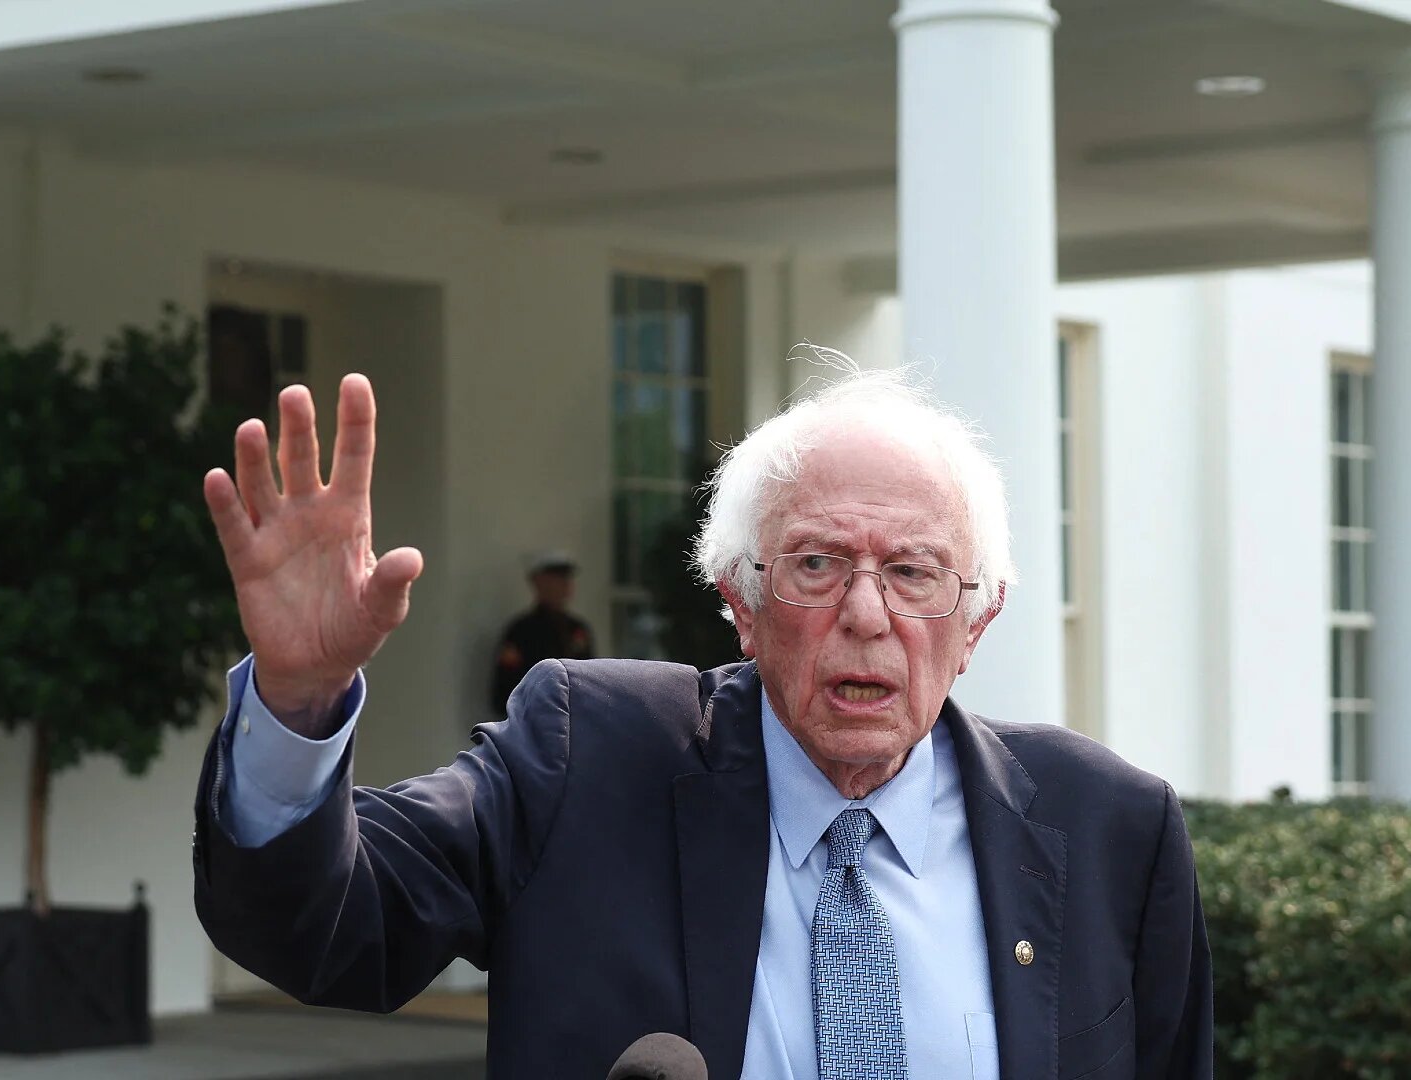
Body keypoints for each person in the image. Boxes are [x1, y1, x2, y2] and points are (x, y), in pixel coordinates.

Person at [193, 358, 1213, 1078]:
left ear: (978, 616)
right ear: (739, 602)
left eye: (913, 571)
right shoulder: (587, 755)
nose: (868, 614)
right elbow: (325, 934)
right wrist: (298, 696)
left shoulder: (1110, 828)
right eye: (816, 564)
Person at [489, 550, 594, 716]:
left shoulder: (577, 629)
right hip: (533, 721)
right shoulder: (521, 631)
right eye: (557, 579)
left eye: (566, 579)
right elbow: (504, 691)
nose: (565, 585)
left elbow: (591, 681)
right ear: (538, 582)